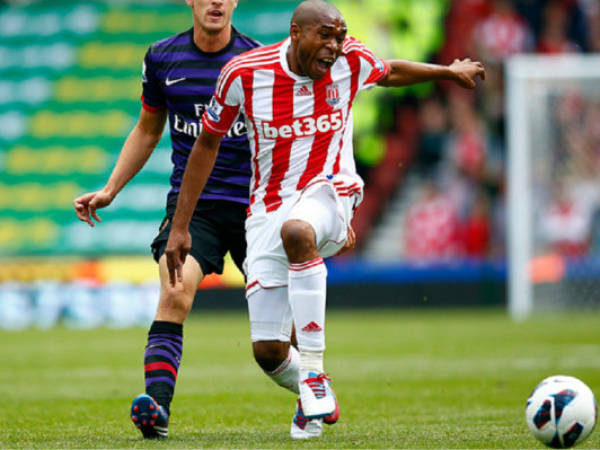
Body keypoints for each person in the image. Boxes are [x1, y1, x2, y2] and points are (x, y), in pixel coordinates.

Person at [164, 0, 486, 440]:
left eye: (340, 35)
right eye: (326, 36)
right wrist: (180, 225)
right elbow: (206, 144)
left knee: (298, 231)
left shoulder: (350, 59)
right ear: (295, 33)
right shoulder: (244, 74)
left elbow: (389, 71)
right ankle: (312, 397)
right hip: (265, 210)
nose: (335, 46)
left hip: (331, 191)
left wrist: (448, 72)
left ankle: (313, 373)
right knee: (269, 352)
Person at [72, 0, 263, 440]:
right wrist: (110, 189)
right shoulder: (162, 57)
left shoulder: (256, 61)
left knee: (279, 319)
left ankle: (310, 387)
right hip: (193, 211)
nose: (216, 2)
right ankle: (156, 407)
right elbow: (147, 129)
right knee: (174, 292)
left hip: (256, 208)